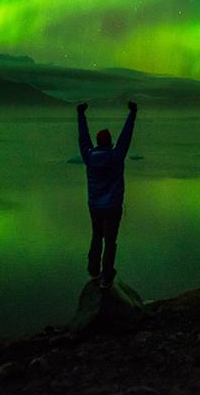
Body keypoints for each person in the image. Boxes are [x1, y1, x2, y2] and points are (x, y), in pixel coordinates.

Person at [76, 100, 137, 289]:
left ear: (97, 141)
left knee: (97, 236)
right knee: (110, 241)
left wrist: (80, 115)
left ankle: (93, 271)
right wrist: (132, 114)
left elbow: (83, 138)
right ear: (110, 141)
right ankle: (106, 277)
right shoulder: (116, 156)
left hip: (94, 206)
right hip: (112, 207)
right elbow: (126, 137)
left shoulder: (89, 157)